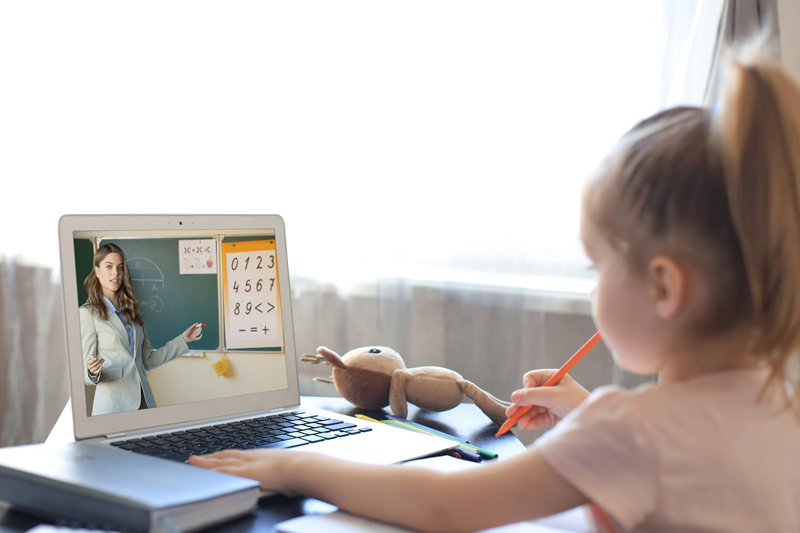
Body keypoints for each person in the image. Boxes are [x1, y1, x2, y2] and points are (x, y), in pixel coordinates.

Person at [189, 46, 800, 533]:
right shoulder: (782, 406)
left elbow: (451, 508)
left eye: (596, 268)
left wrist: (299, 467)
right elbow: (683, 463)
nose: (594, 289)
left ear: (664, 287)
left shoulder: (629, 434)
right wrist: (589, 413)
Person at [80, 243, 203, 416]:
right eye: (109, 267)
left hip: (145, 402)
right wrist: (91, 371)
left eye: (120, 268)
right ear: (97, 272)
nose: (115, 272)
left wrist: (183, 340)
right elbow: (86, 375)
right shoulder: (88, 314)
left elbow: (148, 360)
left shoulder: (131, 309)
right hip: (113, 408)